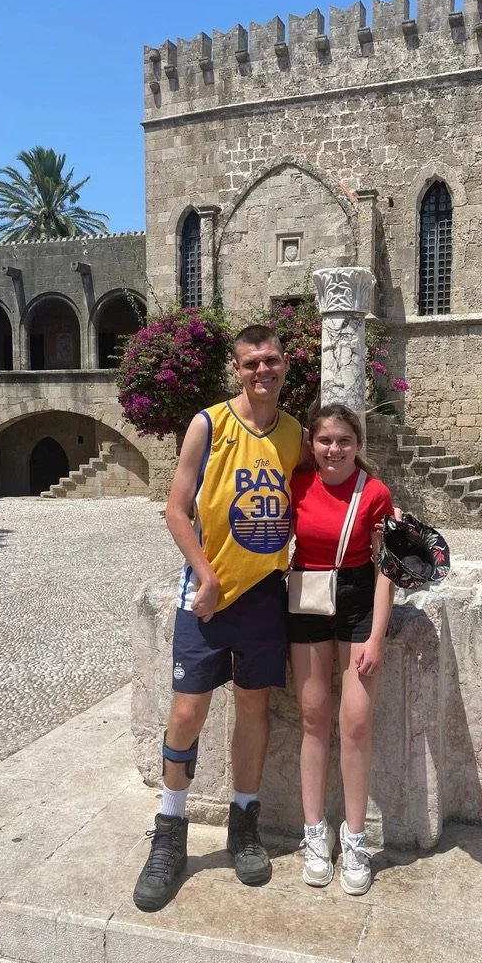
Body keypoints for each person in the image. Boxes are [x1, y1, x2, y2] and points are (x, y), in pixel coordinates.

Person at [133, 324, 304, 912]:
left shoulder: (293, 434)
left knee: (255, 705)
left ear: (285, 366)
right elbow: (176, 510)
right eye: (253, 362)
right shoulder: (209, 424)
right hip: (206, 595)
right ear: (239, 369)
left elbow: (319, 491)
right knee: (187, 710)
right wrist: (205, 575)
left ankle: (245, 822)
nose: (264, 370)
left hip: (263, 597)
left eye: (273, 360)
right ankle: (170, 828)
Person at [289, 403, 395, 895]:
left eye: (344, 441)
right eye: (326, 440)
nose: (334, 450)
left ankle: (355, 836)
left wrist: (375, 636)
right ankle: (315, 831)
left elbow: (386, 569)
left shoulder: (374, 493)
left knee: (354, 723)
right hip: (307, 596)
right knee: (313, 718)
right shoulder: (299, 484)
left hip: (355, 601)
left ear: (358, 445)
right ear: (312, 442)